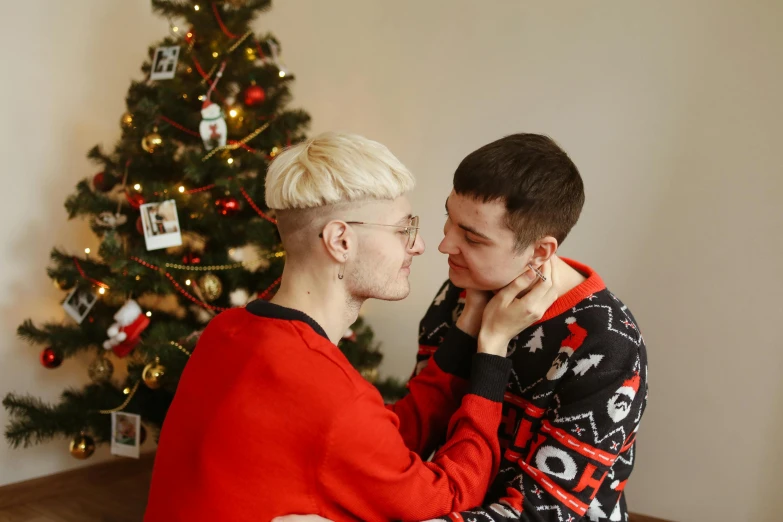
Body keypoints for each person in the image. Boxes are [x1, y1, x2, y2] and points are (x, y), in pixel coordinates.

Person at [143, 132, 558, 521]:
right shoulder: (332, 398)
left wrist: (466, 328)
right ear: (341, 241)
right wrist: (491, 350)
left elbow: (376, 447)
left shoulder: (227, 331)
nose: (418, 245)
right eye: (402, 229)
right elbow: (452, 494)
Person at [281, 133, 649, 522]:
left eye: (472, 238)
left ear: (541, 252)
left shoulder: (609, 347)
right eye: (449, 220)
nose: (443, 245)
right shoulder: (460, 291)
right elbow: (419, 440)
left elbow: (544, 515)